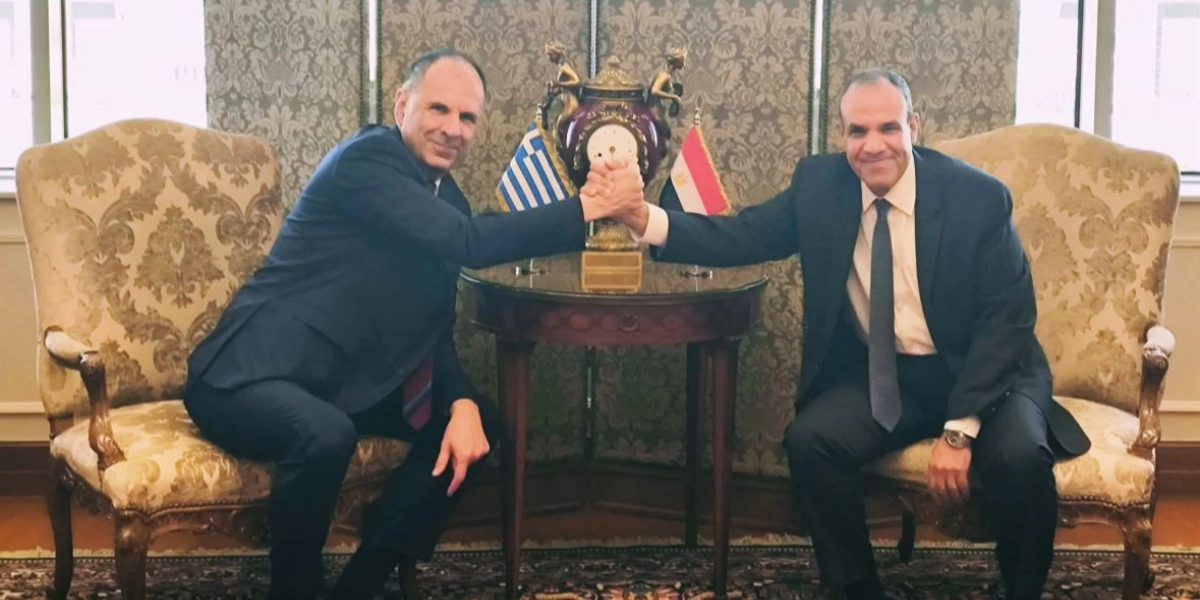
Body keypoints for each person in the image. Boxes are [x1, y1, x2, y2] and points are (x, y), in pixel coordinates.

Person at [609, 68, 1090, 600]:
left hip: (989, 370)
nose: (873, 145)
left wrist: (959, 432)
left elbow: (1008, 318)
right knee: (812, 442)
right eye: (858, 131)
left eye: (888, 128)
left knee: (1020, 458)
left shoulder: (976, 198)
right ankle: (858, 589)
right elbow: (743, 235)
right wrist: (644, 218)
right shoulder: (820, 186)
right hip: (896, 378)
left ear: (914, 126)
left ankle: (1022, 590)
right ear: (841, 135)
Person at [184, 48, 643, 600]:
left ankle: (361, 585)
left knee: (478, 425)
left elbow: (429, 327)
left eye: (467, 117)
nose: (453, 129)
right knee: (325, 433)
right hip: (245, 378)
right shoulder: (366, 161)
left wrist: (462, 404)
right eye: (438, 109)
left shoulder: (446, 198)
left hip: (337, 383)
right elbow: (466, 242)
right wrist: (588, 205)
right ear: (402, 106)